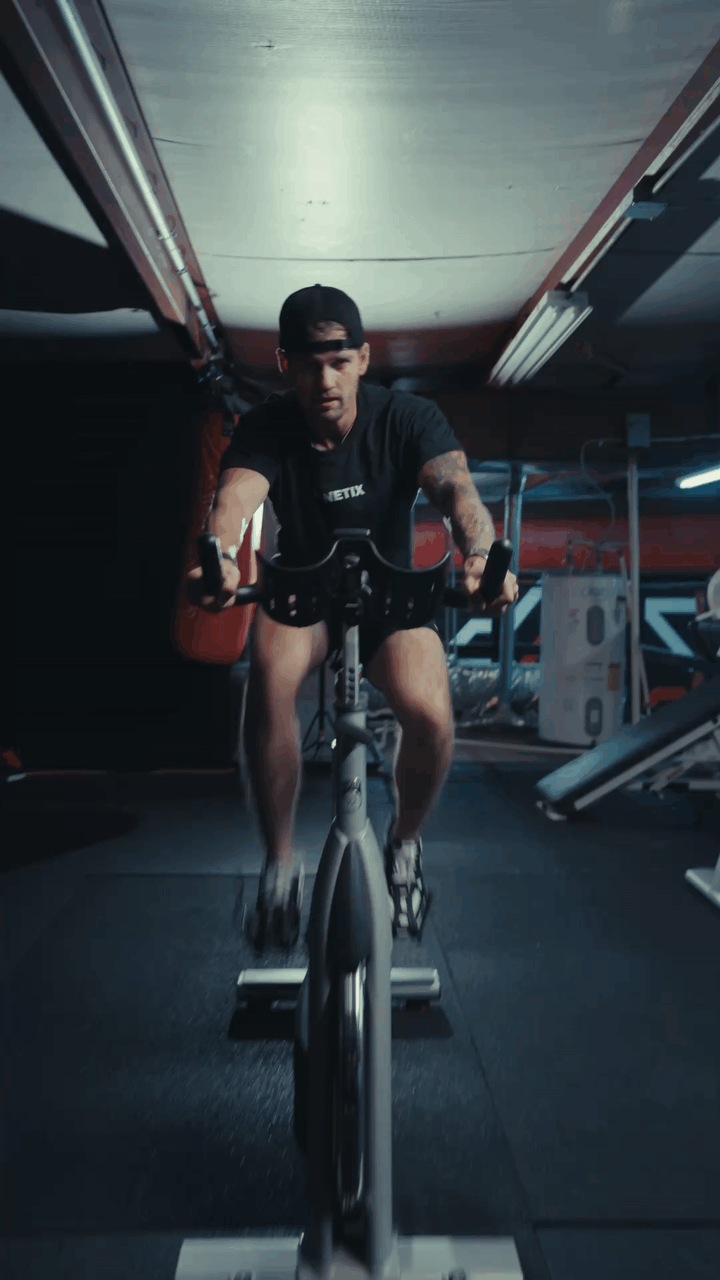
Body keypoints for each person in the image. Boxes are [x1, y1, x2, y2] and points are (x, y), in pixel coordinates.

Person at [188, 284, 517, 948]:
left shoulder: (407, 418)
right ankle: (280, 865)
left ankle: (405, 844)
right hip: (304, 596)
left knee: (430, 714)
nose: (326, 380)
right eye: (310, 364)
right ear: (286, 365)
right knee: (270, 682)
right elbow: (235, 501)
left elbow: (456, 489)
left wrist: (480, 554)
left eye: (339, 362)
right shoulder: (267, 426)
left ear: (363, 359)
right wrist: (219, 557)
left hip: (390, 596)